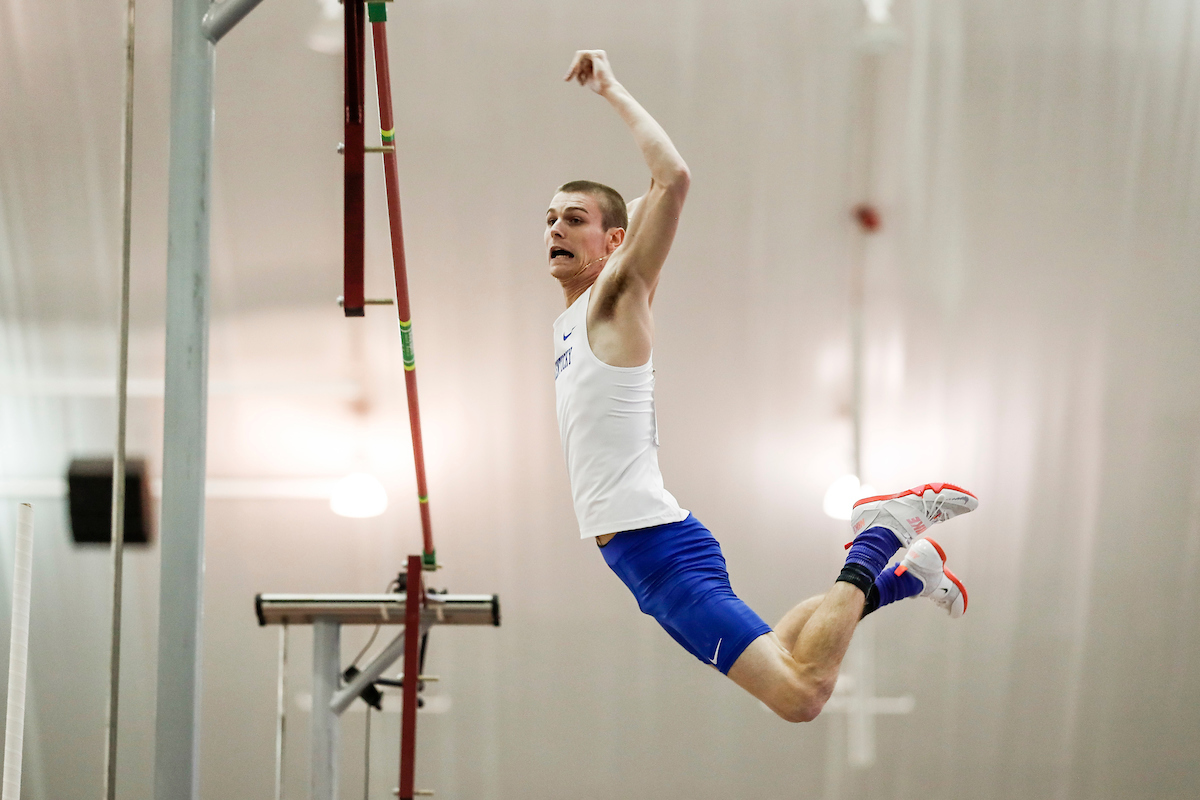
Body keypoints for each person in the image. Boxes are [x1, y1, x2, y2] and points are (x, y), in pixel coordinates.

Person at [548, 50, 977, 723]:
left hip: (653, 547)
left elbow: (672, 181)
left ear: (614, 242)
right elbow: (638, 202)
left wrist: (611, 88)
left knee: (800, 695)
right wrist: (614, 213)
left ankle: (881, 537)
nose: (554, 229)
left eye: (572, 218)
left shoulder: (616, 299)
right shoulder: (575, 320)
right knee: (781, 657)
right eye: (549, 219)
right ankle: (899, 582)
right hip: (644, 555)